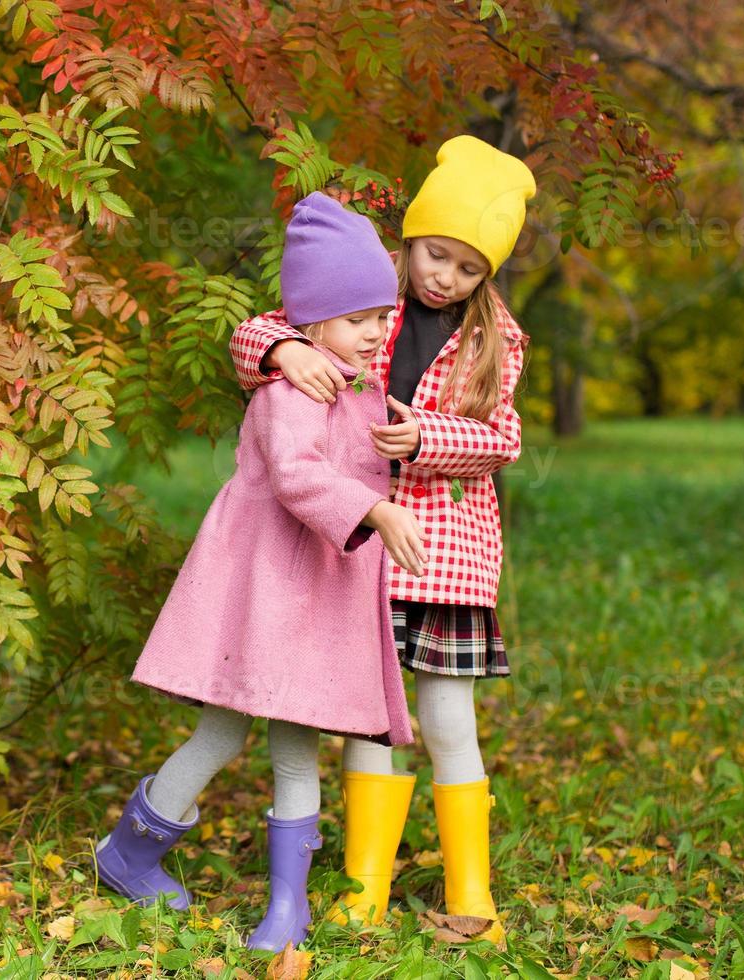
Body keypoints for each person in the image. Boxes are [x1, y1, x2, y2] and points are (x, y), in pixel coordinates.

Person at [94, 192, 426, 953]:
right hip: (269, 586)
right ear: (311, 325)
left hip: (315, 591)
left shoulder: (355, 381)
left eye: (383, 314)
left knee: (296, 741)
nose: (378, 331)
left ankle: (287, 907)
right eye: (360, 318)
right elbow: (296, 476)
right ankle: (132, 852)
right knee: (222, 728)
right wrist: (375, 513)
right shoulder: (294, 385)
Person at [227, 135, 536, 944]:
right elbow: (250, 334)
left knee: (444, 719)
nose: (447, 277)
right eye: (437, 254)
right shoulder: (366, 300)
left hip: (445, 554)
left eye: (470, 268)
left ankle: (473, 893)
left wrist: (428, 437)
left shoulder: (493, 338)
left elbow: (502, 438)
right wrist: (287, 349)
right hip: (359, 553)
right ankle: (365, 882)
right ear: (411, 238)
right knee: (367, 716)